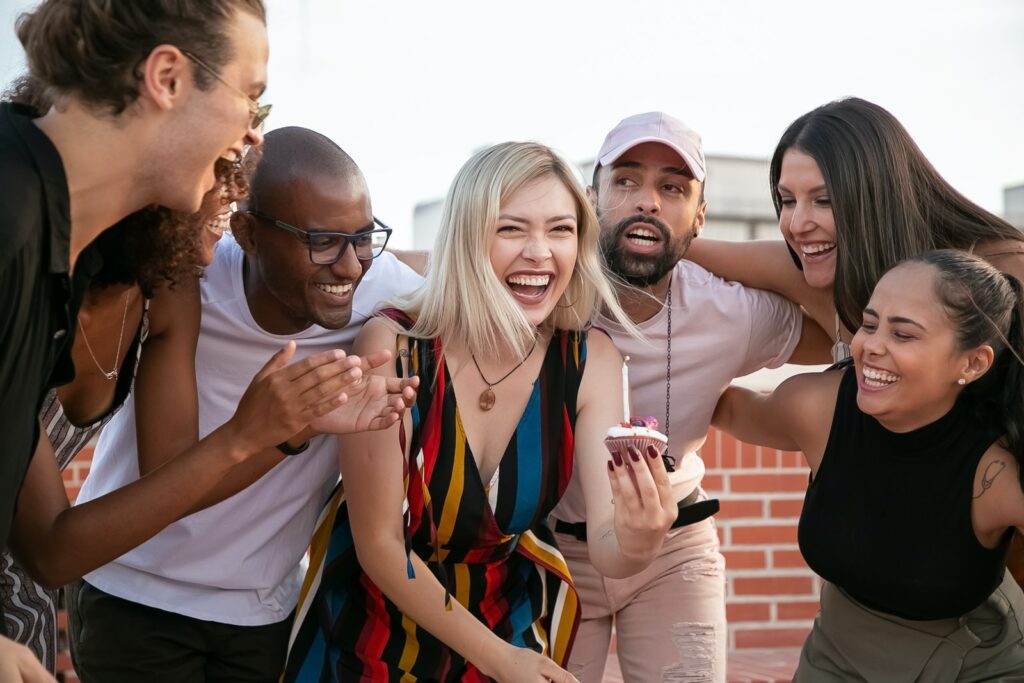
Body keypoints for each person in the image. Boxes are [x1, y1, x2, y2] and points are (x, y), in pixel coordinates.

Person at [284, 141, 680, 682]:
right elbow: (379, 546)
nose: (541, 253)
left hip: (507, 617)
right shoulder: (394, 344)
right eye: (511, 228)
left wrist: (640, 537)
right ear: (468, 239)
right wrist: (500, 661)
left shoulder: (592, 362)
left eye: (561, 230)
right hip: (373, 629)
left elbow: (610, 552)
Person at [68, 126, 423, 682]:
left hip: (260, 611)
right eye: (323, 241)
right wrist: (288, 431)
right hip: (133, 593)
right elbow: (171, 477)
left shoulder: (381, 290)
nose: (351, 266)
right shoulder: (189, 279)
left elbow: (486, 292)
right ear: (248, 233)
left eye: (362, 238)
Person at [0, 0, 270, 669]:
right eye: (251, 96)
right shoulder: (9, 207)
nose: (255, 135)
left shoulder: (69, 254)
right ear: (168, 78)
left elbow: (42, 543)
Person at [684, 96, 1024, 580]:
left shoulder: (998, 272)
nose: (798, 223)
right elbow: (681, 253)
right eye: (786, 200)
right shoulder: (815, 270)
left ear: (877, 193)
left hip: (986, 583)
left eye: (823, 199)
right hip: (870, 563)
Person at [548, 112, 832, 682]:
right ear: (588, 197)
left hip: (674, 551)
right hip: (549, 550)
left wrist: (733, 405)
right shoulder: (541, 294)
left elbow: (836, 330)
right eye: (625, 182)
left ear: (699, 214)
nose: (647, 201)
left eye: (672, 189)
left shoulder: (732, 313)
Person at [712, 250, 1024, 680]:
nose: (870, 346)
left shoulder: (998, 471)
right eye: (870, 324)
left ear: (972, 363)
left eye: (904, 335)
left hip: (975, 663)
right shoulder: (819, 408)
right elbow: (727, 410)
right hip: (835, 656)